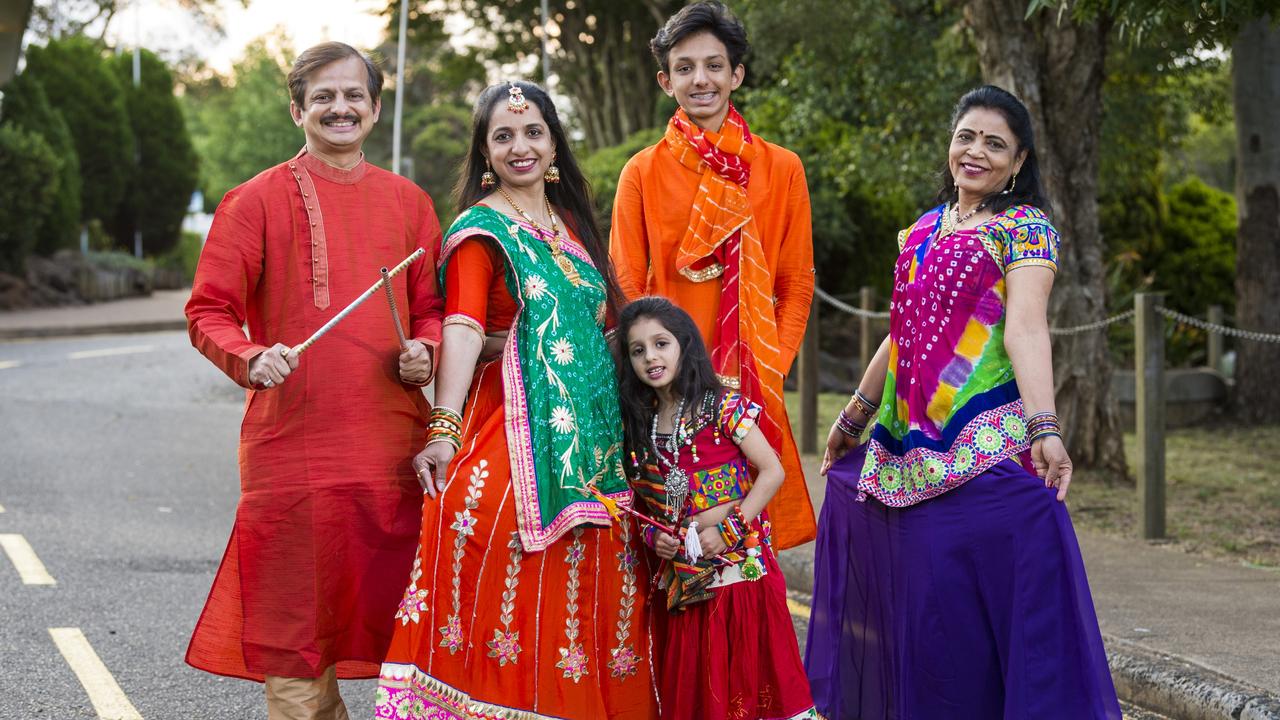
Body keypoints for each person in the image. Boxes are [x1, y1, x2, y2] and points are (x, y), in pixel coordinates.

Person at [804, 85, 1123, 719]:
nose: (975, 152)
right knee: (927, 620)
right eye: (966, 137)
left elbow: (1025, 328)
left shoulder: (1024, 229)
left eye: (994, 144)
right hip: (905, 452)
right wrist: (854, 415)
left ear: (1019, 161)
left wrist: (1046, 428)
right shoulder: (922, 229)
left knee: (1001, 599)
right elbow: (903, 335)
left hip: (983, 449)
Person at [374, 81, 658, 720]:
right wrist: (444, 428)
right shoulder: (481, 230)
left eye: (532, 133)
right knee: (518, 586)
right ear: (484, 152)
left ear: (554, 143)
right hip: (514, 431)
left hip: (597, 446)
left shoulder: (573, 227)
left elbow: (607, 328)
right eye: (502, 136)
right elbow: (464, 326)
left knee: (588, 604)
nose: (520, 146)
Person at [184, 42, 443, 719]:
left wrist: (426, 350)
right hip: (294, 461)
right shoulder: (254, 201)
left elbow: (434, 312)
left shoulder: (412, 205)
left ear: (375, 106)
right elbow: (208, 310)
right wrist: (249, 356)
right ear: (298, 109)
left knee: (418, 640)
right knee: (296, 644)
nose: (340, 107)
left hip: (393, 459)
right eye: (323, 96)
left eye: (353, 94)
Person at [609, 0, 816, 550]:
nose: (700, 79)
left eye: (714, 65)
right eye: (684, 67)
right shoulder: (643, 172)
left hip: (752, 380)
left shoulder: (781, 167)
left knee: (750, 555)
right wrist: (662, 382)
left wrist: (770, 370)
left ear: (737, 75)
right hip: (670, 394)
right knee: (680, 551)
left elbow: (795, 284)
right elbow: (626, 288)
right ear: (665, 80)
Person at [616, 296, 817, 720]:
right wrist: (657, 539)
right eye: (638, 350)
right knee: (701, 689)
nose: (651, 357)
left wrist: (726, 531)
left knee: (750, 680)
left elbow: (771, 472)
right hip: (688, 584)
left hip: (741, 573)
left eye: (660, 343)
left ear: (684, 345)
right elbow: (641, 502)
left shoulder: (722, 406)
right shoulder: (640, 426)